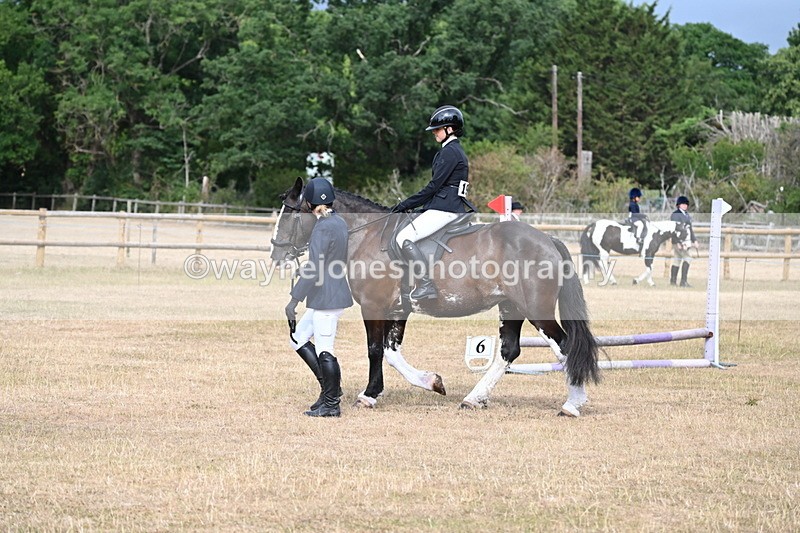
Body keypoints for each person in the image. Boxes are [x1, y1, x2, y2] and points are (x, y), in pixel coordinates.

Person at [284, 177, 353, 417]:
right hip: (329, 292)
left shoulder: (322, 227)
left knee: (325, 350)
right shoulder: (339, 222)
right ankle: (328, 392)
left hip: (327, 297)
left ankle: (332, 404)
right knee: (298, 337)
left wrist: (294, 299)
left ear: (309, 203)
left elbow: (315, 266)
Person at [392, 105, 473, 300]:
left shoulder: (450, 152)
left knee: (403, 237)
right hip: (447, 205)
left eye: (437, 129)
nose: (434, 133)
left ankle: (425, 284)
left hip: (445, 208)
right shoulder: (454, 150)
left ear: (450, 129)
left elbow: (434, 187)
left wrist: (406, 204)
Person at [670, 195, 698, 287]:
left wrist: (694, 240)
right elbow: (674, 229)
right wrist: (677, 242)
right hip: (679, 241)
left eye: (686, 204)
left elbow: (690, 229)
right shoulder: (675, 215)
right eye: (683, 204)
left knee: (677, 259)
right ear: (679, 205)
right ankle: (683, 281)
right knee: (688, 257)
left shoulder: (686, 215)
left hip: (686, 241)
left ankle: (673, 281)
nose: (685, 206)